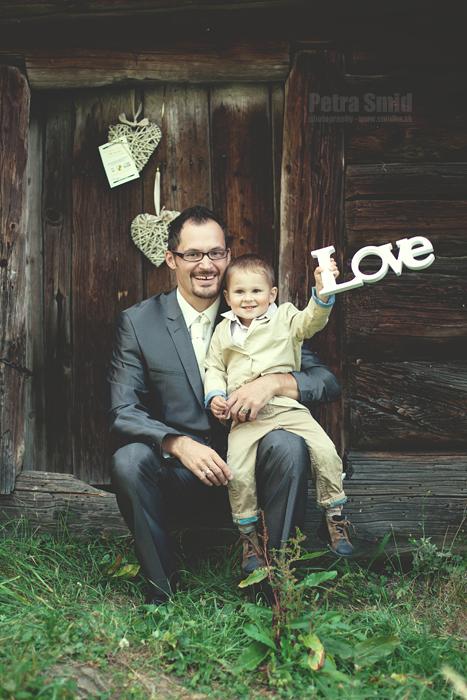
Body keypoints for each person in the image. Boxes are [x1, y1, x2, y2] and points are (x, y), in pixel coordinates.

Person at [108, 205, 342, 604]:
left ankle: (275, 585)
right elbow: (122, 410)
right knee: (128, 460)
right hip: (185, 474)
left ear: (228, 256)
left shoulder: (259, 312)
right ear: (171, 259)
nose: (206, 265)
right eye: (192, 254)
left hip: (253, 466)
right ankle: (161, 591)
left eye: (216, 253)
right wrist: (178, 444)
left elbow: (326, 381)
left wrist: (274, 383)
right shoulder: (138, 323)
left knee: (287, 444)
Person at [205, 254, 353, 573]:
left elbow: (311, 321)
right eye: (240, 292)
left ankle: (334, 517)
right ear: (227, 297)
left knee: (326, 452)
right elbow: (214, 367)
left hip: (288, 409)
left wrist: (323, 291)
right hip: (245, 418)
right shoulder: (223, 331)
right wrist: (215, 395)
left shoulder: (285, 317)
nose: (248, 299)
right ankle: (249, 538)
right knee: (238, 473)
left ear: (272, 294)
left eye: (256, 291)